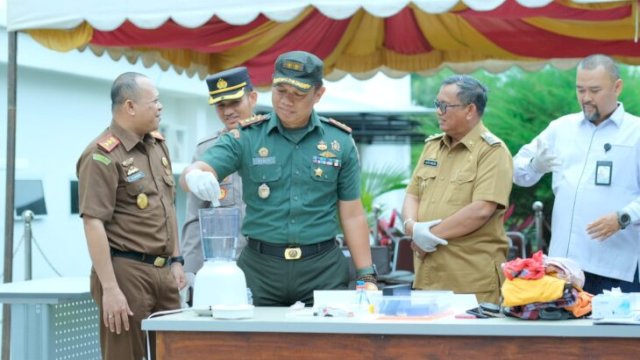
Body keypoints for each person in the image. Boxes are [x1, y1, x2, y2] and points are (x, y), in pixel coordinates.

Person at [180, 50, 376, 306]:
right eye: (280, 91)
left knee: (326, 345)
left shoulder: (339, 142)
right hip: (260, 270)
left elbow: (352, 214)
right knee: (255, 345)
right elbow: (197, 169)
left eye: (298, 94)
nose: (287, 101)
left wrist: (367, 276)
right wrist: (195, 176)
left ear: (318, 94)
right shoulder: (248, 136)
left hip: (322, 269)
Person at [77, 72, 186, 360]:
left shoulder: (157, 145)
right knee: (126, 356)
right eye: (155, 101)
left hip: (164, 273)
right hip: (126, 272)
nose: (160, 107)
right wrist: (110, 289)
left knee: (176, 351)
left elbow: (168, 204)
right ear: (130, 106)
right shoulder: (101, 155)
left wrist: (176, 259)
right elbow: (93, 222)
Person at [513, 54, 640, 295]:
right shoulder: (561, 128)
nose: (586, 98)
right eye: (580, 90)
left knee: (616, 334)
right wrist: (536, 165)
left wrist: (624, 216)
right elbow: (518, 172)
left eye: (594, 90)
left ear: (617, 87)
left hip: (615, 268)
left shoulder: (636, 133)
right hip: (564, 269)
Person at [402, 75, 513, 304]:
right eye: (437, 104)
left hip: (470, 281)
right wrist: (412, 227)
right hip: (428, 277)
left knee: (472, 341)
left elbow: (481, 209)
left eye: (445, 105)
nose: (438, 111)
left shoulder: (492, 151)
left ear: (470, 109)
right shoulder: (433, 147)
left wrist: (427, 235)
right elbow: (413, 194)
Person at [181, 67, 257, 291]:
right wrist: (191, 271)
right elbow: (196, 217)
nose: (228, 111)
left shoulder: (274, 141)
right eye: (221, 105)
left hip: (270, 266)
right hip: (226, 271)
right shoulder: (207, 151)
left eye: (235, 102)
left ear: (252, 98)